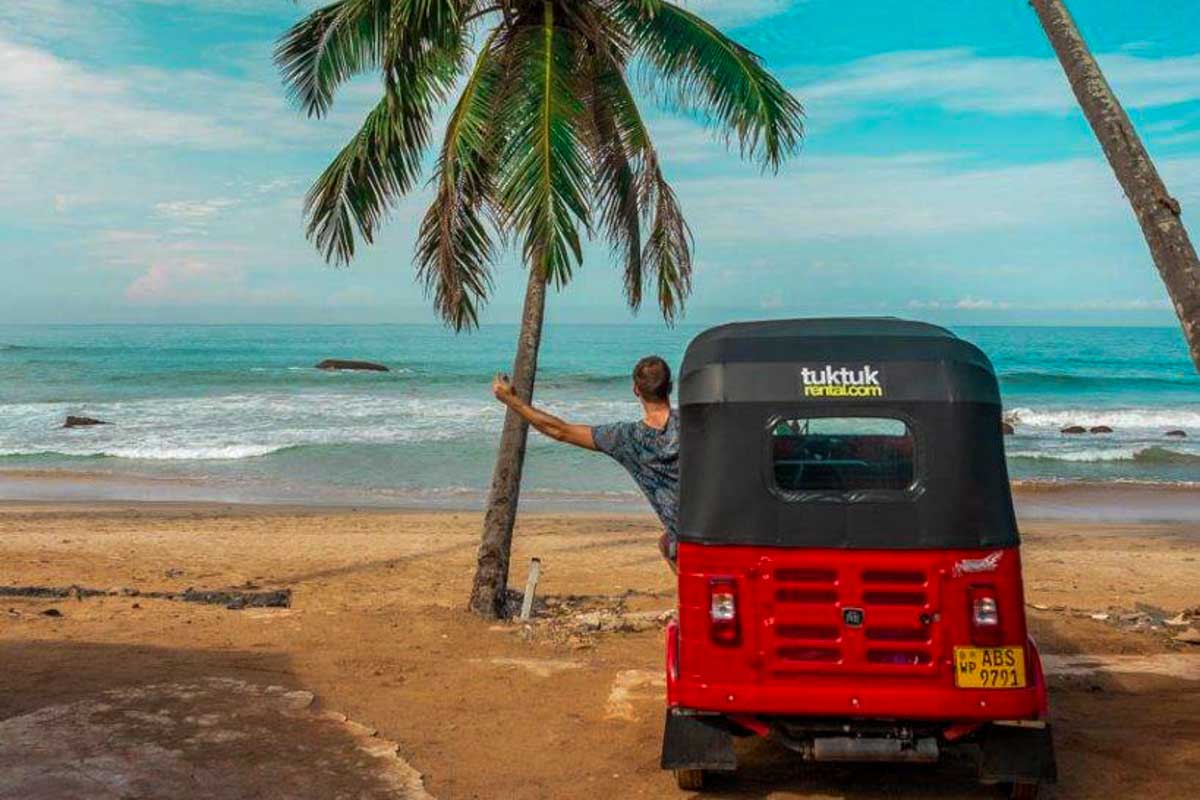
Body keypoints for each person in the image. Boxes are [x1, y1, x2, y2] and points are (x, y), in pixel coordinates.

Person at [490, 355, 679, 568]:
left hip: (686, 537)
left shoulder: (626, 438)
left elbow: (560, 430)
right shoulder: (697, 422)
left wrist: (511, 400)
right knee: (665, 543)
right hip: (719, 525)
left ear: (636, 390)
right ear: (670, 386)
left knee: (669, 544)